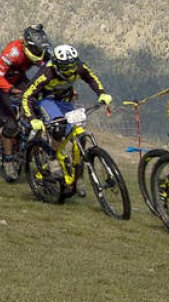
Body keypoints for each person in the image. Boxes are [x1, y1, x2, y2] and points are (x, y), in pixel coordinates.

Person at [20, 44, 112, 192]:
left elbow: (91, 77)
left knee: (79, 136)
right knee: (58, 129)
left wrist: (101, 92)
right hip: (47, 101)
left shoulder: (79, 66)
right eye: (65, 68)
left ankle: (77, 177)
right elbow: (27, 95)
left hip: (66, 102)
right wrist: (32, 118)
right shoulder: (46, 72)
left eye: (72, 67)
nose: (70, 72)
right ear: (56, 64)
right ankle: (52, 158)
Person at [0, 24, 51, 164]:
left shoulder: (41, 51)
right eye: (35, 49)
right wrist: (11, 90)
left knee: (35, 106)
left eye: (40, 49)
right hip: (0, 81)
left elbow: (51, 68)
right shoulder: (13, 52)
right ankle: (8, 160)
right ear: (27, 44)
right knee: (10, 124)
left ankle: (26, 135)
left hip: (19, 78)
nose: (38, 52)